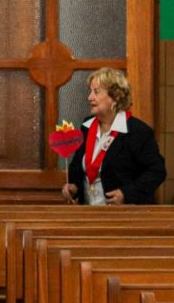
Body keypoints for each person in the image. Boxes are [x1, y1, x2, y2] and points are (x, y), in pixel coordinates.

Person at [62, 67, 166, 205]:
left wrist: (127, 194)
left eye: (96, 92)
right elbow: (77, 165)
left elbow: (156, 171)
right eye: (90, 91)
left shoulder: (138, 131)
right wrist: (74, 186)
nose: (90, 97)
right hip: (88, 212)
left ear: (115, 97)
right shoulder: (86, 126)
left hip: (125, 213)